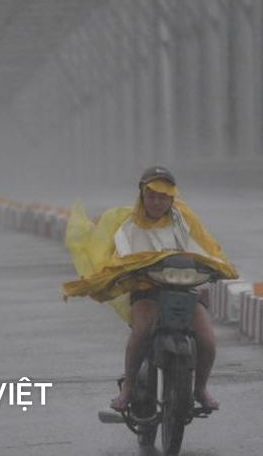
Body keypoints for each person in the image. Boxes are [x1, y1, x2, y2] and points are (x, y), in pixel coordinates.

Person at [60, 166, 238, 413]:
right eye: (151, 196)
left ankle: (200, 388)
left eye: (163, 197)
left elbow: (206, 248)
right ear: (142, 196)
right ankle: (128, 387)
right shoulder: (129, 227)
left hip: (184, 290)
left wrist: (218, 267)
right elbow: (120, 259)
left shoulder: (184, 220)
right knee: (142, 330)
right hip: (147, 291)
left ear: (172, 198)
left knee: (207, 339)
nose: (157, 202)